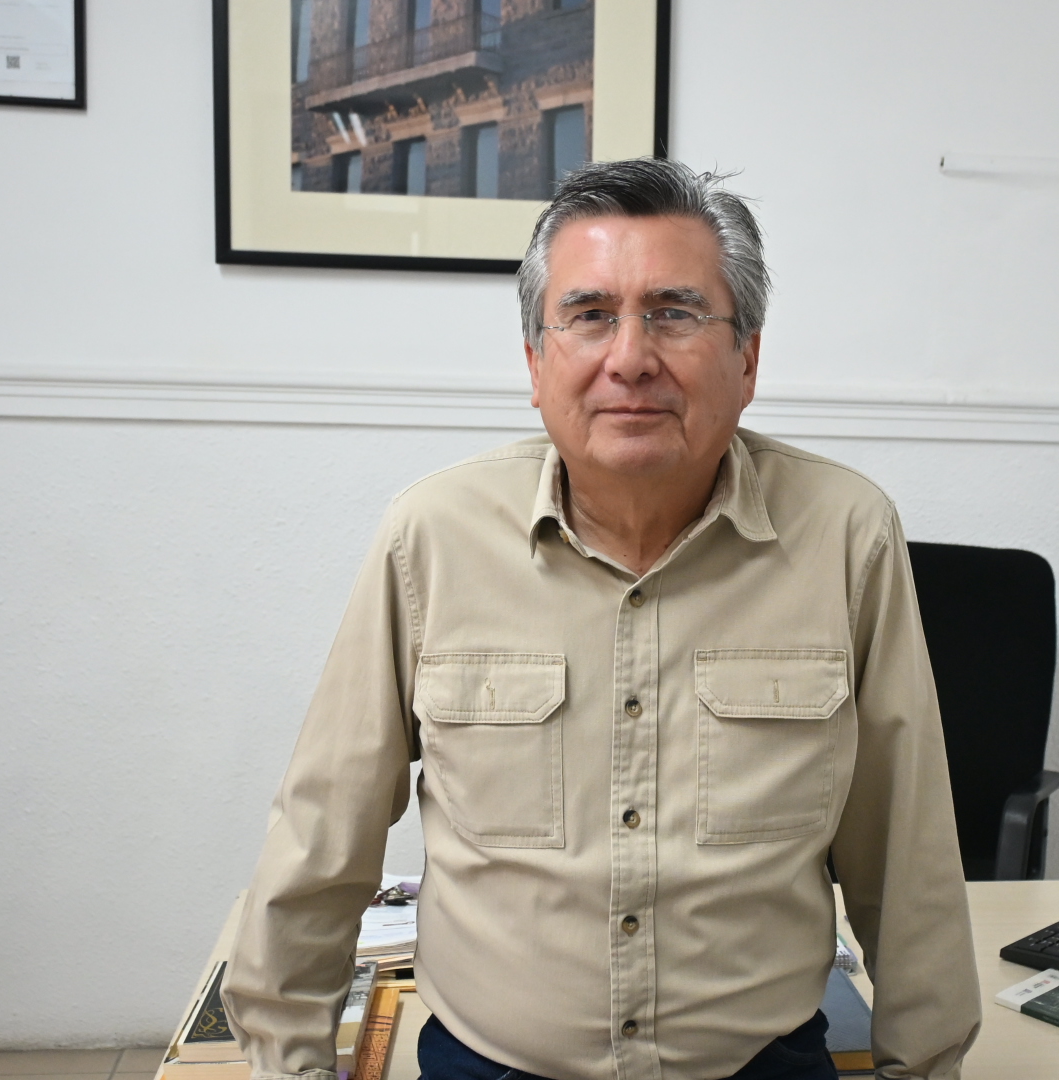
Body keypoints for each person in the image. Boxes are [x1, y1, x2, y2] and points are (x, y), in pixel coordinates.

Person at [222, 158, 980, 1080]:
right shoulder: (432, 538)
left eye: (675, 312)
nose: (630, 359)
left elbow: (906, 856)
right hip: (491, 1064)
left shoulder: (846, 535)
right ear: (535, 363)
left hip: (760, 1062)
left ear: (747, 359)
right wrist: (288, 1062)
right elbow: (322, 835)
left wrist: (923, 1066)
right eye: (588, 316)